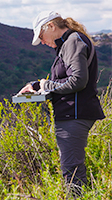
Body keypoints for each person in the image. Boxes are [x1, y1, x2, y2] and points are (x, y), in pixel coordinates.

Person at [19, 11, 105, 195]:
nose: (42, 42)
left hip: (74, 114)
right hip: (73, 113)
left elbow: (77, 80)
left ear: (50, 26)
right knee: (73, 168)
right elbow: (66, 80)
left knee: (72, 171)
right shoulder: (70, 42)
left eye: (41, 36)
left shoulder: (73, 41)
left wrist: (44, 84)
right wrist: (36, 86)